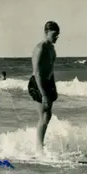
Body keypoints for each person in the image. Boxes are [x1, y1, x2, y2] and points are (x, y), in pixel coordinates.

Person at [28, 21, 60, 153]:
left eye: (58, 35)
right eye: (54, 34)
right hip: (37, 83)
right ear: (46, 32)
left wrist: (53, 86)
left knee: (48, 115)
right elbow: (37, 73)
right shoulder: (40, 48)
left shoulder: (52, 48)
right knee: (44, 116)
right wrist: (45, 94)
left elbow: (50, 69)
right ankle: (39, 148)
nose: (56, 37)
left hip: (47, 82)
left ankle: (41, 145)